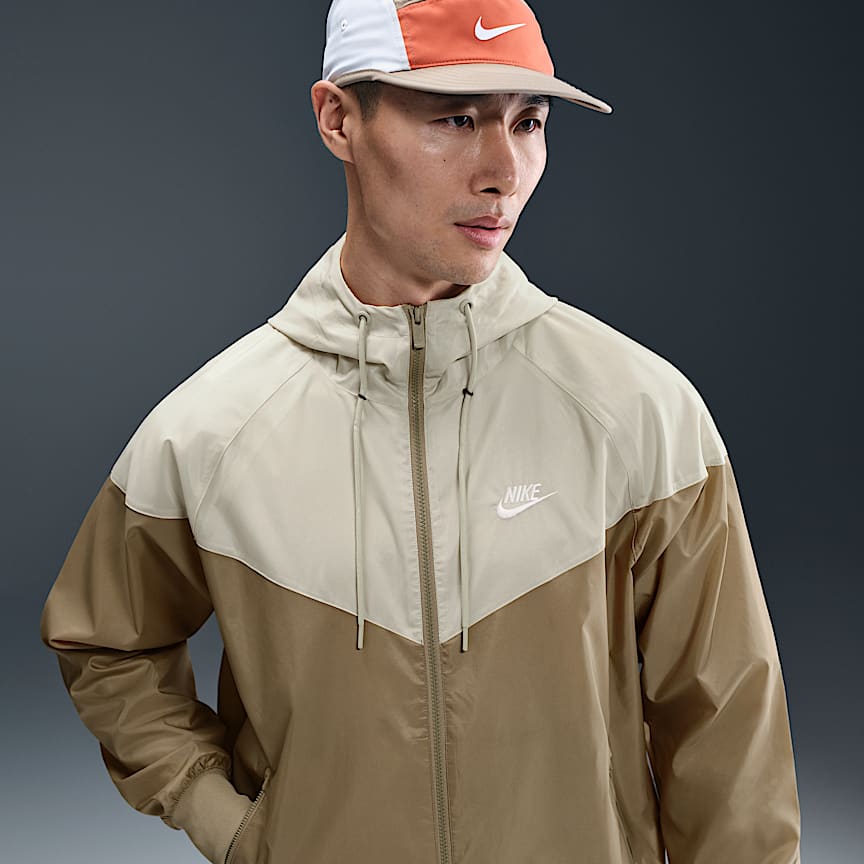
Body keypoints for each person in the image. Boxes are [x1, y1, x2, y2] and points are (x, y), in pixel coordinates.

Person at [39, 1, 802, 862]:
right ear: (339, 119)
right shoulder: (210, 431)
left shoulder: (640, 410)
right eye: (457, 119)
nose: (504, 172)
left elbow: (727, 728)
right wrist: (236, 827)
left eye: (528, 122)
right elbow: (104, 645)